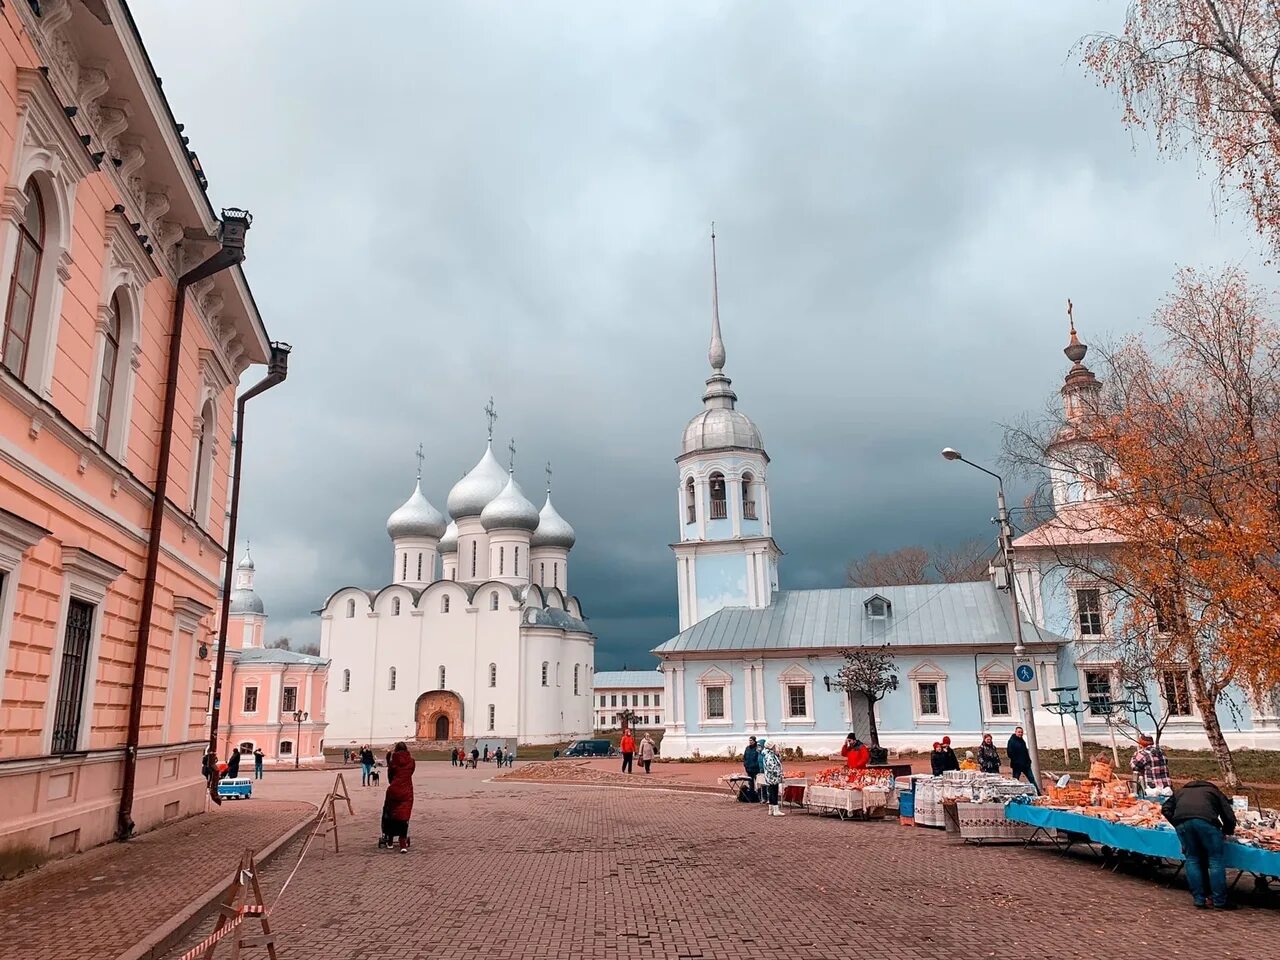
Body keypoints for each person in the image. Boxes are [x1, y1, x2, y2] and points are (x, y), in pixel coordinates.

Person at [1162, 780, 1237, 910]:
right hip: (1206, 824)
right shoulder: (1214, 792)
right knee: (1215, 860)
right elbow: (1229, 816)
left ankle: (1199, 899)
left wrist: (1177, 823)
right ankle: (1219, 901)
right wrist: (1226, 831)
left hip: (1183, 824)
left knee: (1192, 859)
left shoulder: (1180, 792)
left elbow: (1165, 809)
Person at [381, 742, 416, 853]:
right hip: (407, 791)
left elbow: (390, 777)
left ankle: (390, 841)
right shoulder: (411, 762)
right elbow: (410, 773)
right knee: (404, 817)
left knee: (391, 815)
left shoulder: (393, 762)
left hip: (394, 790)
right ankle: (403, 844)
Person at [761, 741, 785, 817]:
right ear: (771, 747)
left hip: (771, 777)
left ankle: (771, 809)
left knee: (772, 793)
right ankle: (776, 810)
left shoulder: (770, 754)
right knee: (774, 793)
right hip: (773, 777)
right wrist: (779, 773)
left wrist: (778, 755)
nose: (775, 747)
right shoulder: (769, 756)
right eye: (774, 746)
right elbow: (772, 767)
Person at [742, 736, 762, 800]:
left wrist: (756, 765)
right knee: (751, 784)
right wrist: (745, 765)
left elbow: (759, 757)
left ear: (754, 741)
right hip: (749, 769)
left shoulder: (758, 748)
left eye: (751, 740)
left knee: (758, 783)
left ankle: (760, 797)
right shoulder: (747, 748)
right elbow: (744, 757)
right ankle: (752, 797)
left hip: (756, 769)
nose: (750, 742)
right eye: (749, 740)